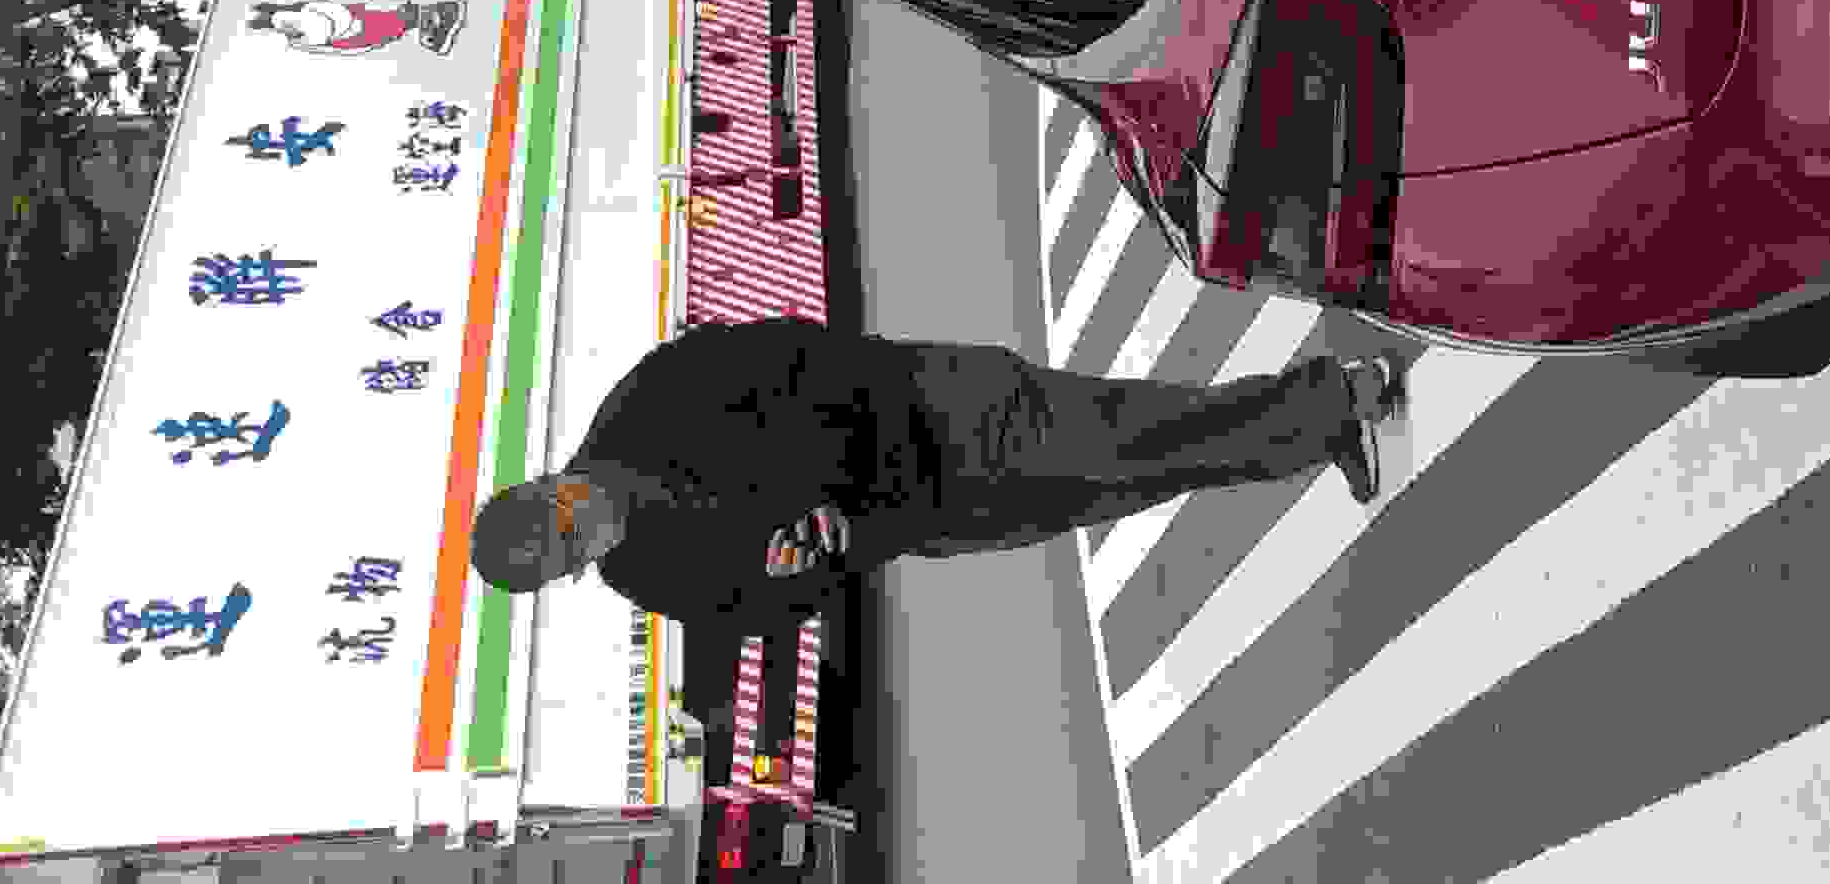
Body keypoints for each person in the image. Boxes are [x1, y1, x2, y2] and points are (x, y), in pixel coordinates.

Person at [465, 317, 1417, 678]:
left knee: (1136, 433)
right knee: (1140, 480)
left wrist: (825, 494)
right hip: (929, 519)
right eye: (571, 561)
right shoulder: (646, 575)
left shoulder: (649, 400)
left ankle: (1335, 393)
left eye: (566, 527)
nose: (589, 543)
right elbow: (763, 609)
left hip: (935, 408)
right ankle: (1314, 431)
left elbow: (803, 355)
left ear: (549, 484)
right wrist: (808, 567)